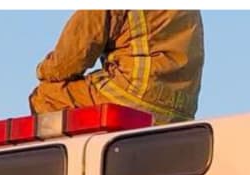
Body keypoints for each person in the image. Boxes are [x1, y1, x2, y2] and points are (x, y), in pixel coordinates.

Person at [30, 10, 204, 125]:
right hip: (182, 109)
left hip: (135, 94)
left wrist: (43, 70)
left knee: (47, 96)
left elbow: (70, 59)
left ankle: (81, 173)